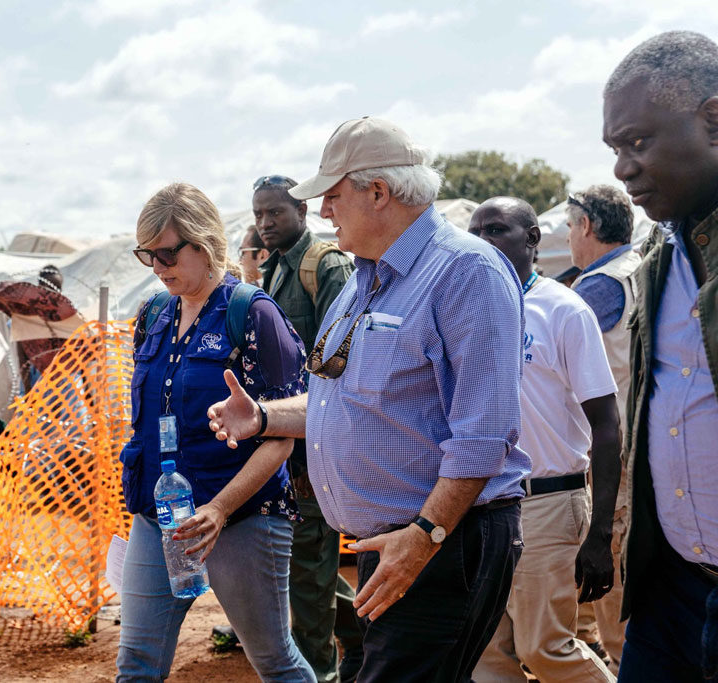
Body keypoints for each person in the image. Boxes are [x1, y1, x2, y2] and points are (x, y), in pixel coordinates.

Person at [207, 117, 531, 682]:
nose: (324, 210)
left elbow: (485, 433)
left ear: (378, 192)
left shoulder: (465, 270)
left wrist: (424, 536)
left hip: (441, 542)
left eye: (333, 196)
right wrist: (261, 417)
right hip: (401, 544)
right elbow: (338, 403)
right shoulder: (364, 279)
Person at [116, 182, 315, 682]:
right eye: (147, 255)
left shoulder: (251, 313)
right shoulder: (153, 314)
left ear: (204, 245)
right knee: (135, 663)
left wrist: (221, 509)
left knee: (274, 661)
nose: (157, 267)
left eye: (167, 253)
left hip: (243, 517)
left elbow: (285, 434)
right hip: (161, 515)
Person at [602, 31, 718, 682]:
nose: (623, 168)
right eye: (615, 149)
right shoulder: (655, 255)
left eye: (638, 142)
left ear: (714, 122)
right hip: (668, 587)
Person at [469, 197, 622, 683]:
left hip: (548, 503)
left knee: (544, 649)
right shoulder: (468, 309)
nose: (483, 241)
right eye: (475, 233)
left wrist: (600, 534)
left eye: (496, 230)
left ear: (532, 238)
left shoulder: (564, 309)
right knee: (484, 654)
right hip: (479, 503)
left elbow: (606, 423)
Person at [252, 174, 361, 683]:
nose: (265, 222)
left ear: (302, 210)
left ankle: (321, 673)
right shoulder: (273, 270)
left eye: (275, 212)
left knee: (310, 570)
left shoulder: (326, 266)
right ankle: (365, 638)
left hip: (317, 445)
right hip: (284, 442)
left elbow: (344, 359)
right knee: (306, 569)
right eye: (258, 214)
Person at [566, 184, 643, 674]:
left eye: (570, 227)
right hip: (641, 436)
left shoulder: (596, 287)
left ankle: (617, 662)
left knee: (608, 549)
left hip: (608, 445)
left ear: (587, 226)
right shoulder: (640, 268)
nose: (570, 238)